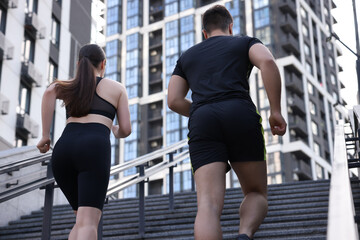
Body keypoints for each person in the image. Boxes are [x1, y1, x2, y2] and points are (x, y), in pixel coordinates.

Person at [167, 5, 287, 240]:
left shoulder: (187, 57)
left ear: (204, 32)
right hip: (240, 112)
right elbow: (268, 63)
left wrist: (203, 110)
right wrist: (275, 111)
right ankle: (244, 234)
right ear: (230, 26)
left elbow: (173, 100)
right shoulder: (245, 42)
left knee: (207, 205)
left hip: (202, 121)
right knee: (255, 192)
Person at [37, 44, 131, 240]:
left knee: (81, 220)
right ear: (103, 64)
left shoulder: (69, 86)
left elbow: (48, 92)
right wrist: (114, 129)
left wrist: (46, 135)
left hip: (64, 149)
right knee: (89, 222)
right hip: (93, 148)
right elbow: (126, 130)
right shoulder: (117, 88)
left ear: (79, 64)